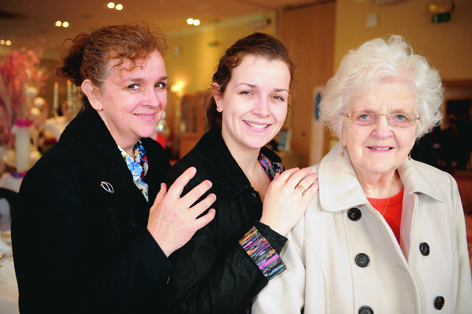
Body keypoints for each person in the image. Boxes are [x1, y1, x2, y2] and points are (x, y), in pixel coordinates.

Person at [252, 35, 472, 313]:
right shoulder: (301, 198)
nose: (382, 131)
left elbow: (463, 297)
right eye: (364, 115)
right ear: (340, 126)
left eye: (400, 116)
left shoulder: (444, 189)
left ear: (419, 127)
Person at [12, 22, 216, 314]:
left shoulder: (154, 156)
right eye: (134, 85)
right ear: (94, 94)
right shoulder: (51, 181)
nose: (154, 101)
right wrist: (156, 244)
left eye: (159, 84)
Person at [163, 32, 319, 314]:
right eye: (247, 92)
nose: (263, 110)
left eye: (277, 97)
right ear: (219, 97)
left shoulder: (273, 166)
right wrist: (269, 230)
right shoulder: (192, 185)